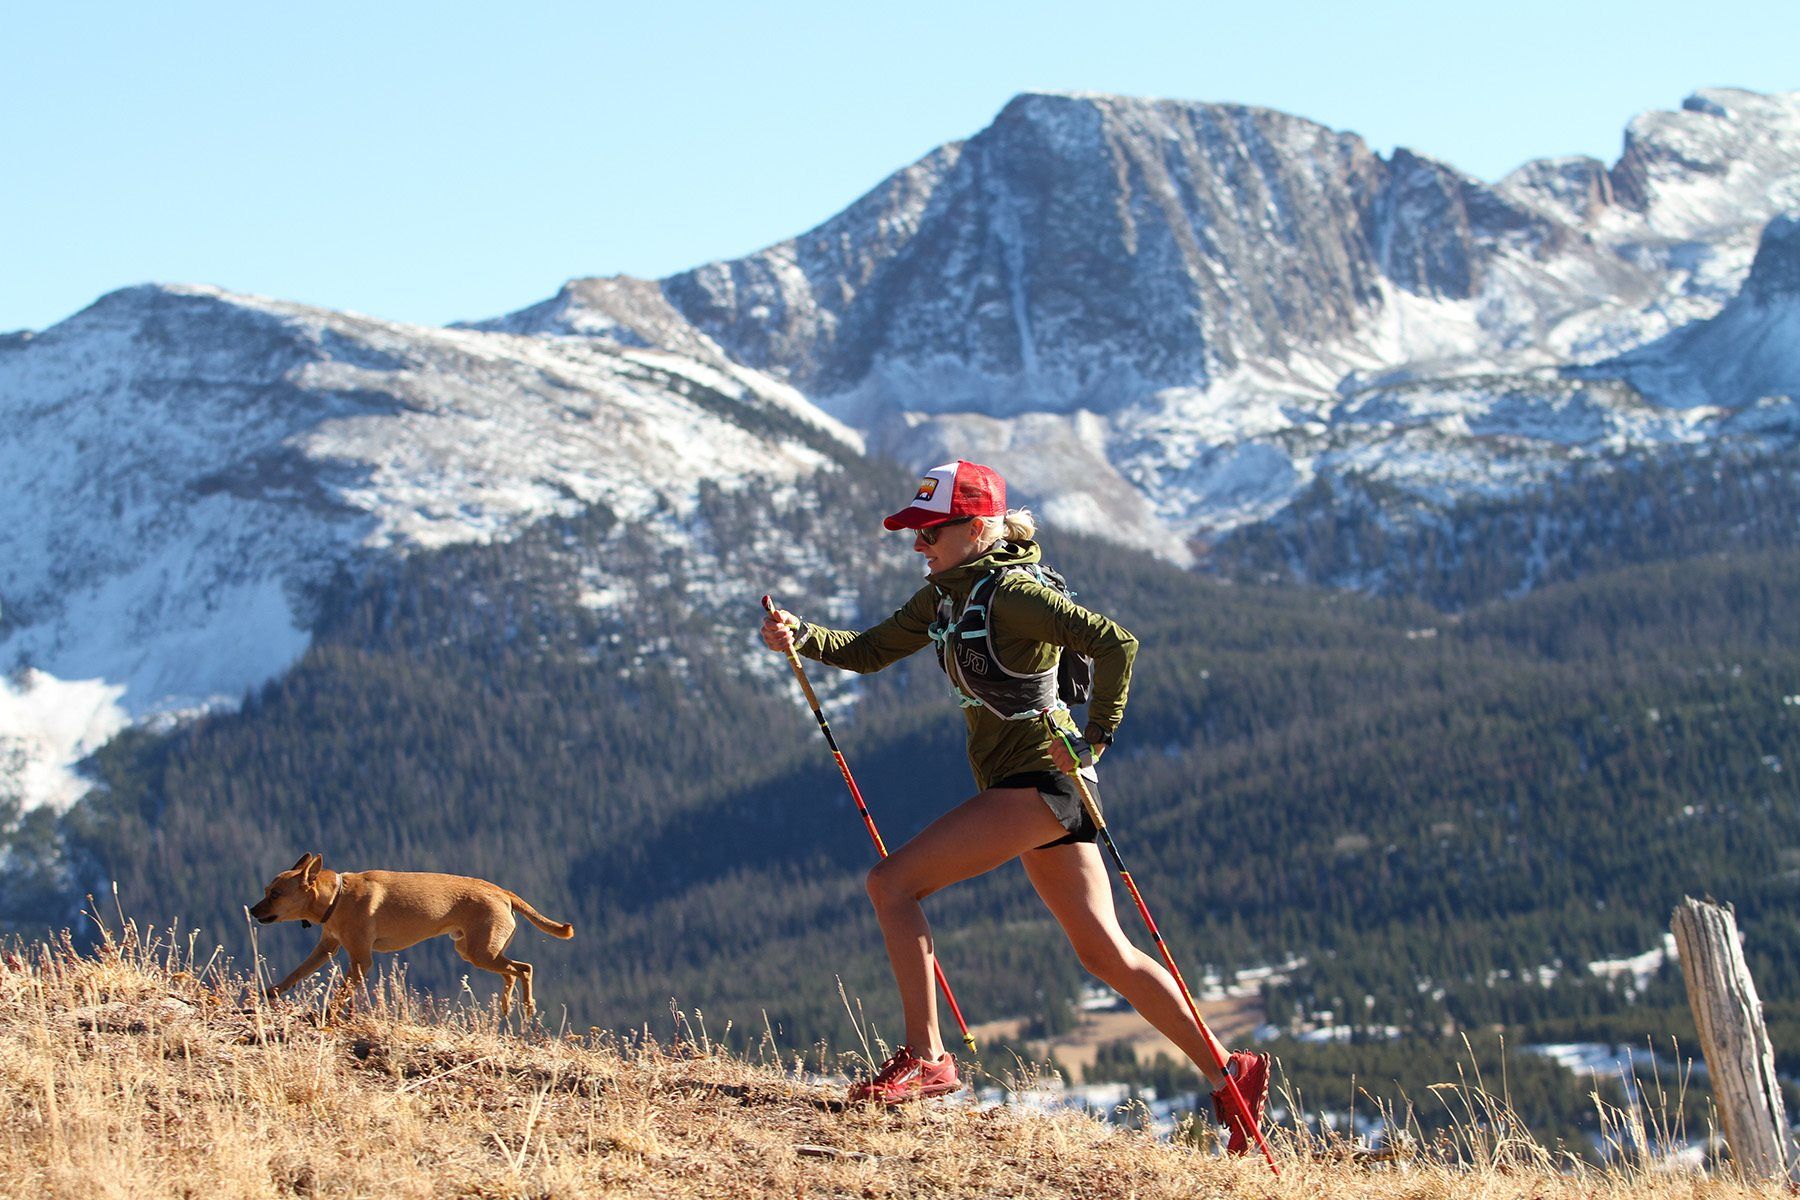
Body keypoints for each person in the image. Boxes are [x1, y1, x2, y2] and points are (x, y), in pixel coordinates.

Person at [760, 459, 1270, 1152]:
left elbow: (1116, 642)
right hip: (1037, 788)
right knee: (1104, 952)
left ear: (975, 528)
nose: (918, 546)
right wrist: (803, 635)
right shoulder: (944, 596)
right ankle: (1229, 1072)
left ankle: (927, 1060)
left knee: (892, 884)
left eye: (930, 531)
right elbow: (873, 651)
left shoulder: (1009, 595)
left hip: (1042, 783)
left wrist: (1095, 741)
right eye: (914, 532)